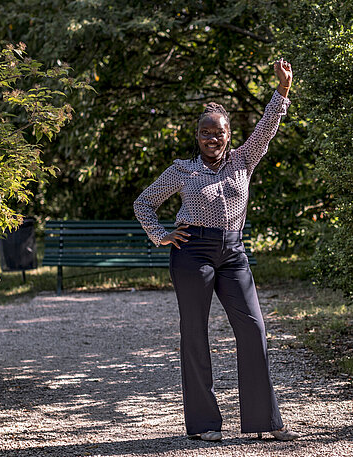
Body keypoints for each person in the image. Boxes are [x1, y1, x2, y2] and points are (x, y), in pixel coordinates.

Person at [133, 58, 300, 442]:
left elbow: (267, 128)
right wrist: (161, 235)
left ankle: (264, 422)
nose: (213, 139)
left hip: (234, 254)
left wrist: (283, 90)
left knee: (254, 329)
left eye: (219, 133)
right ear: (197, 136)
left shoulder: (244, 159)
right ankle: (205, 424)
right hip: (193, 254)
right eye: (206, 133)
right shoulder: (181, 171)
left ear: (228, 134)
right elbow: (144, 202)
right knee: (195, 334)